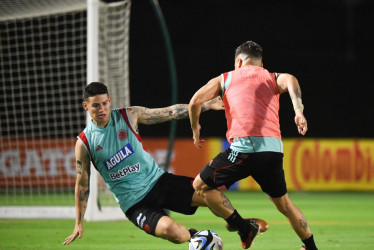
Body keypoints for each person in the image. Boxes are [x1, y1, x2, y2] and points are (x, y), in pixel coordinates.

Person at [188, 41, 318, 250]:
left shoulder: (227, 77)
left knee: (200, 186)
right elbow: (291, 80)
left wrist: (196, 129)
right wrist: (299, 110)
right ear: (260, 63)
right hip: (273, 151)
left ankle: (243, 227)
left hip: (244, 149)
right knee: (285, 205)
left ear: (238, 61)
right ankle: (311, 247)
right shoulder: (270, 76)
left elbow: (194, 102)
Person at [62, 81, 228, 246]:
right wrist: (78, 222)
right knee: (174, 233)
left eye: (104, 104)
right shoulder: (84, 143)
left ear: (110, 101)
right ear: (85, 106)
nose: (102, 109)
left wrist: (205, 106)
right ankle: (195, 236)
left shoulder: (128, 115)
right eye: (95, 106)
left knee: (210, 193)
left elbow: (170, 112)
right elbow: (82, 185)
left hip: (159, 183)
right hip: (135, 204)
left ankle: (241, 225)